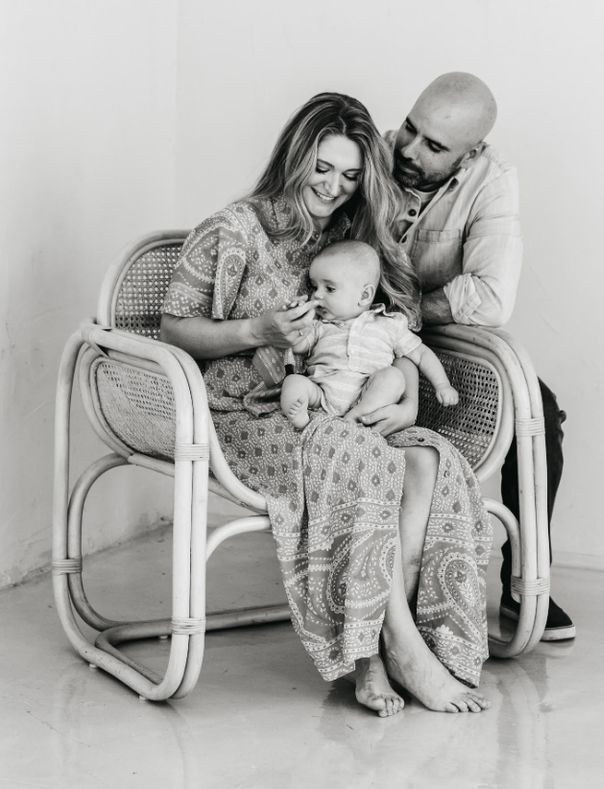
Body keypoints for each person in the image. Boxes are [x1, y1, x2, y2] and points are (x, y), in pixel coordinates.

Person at [160, 92, 494, 716]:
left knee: (430, 460)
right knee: (364, 460)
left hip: (345, 406)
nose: (334, 187)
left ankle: (410, 639)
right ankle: (388, 653)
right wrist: (256, 331)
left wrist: (404, 383)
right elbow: (173, 329)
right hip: (251, 411)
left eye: (349, 175)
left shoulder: (355, 233)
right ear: (295, 156)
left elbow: (399, 325)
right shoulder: (234, 229)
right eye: (322, 168)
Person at [381, 72, 575, 641]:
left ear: (472, 153)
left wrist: (407, 309)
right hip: (350, 334)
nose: (410, 151)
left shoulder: (493, 181)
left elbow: (489, 298)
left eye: (434, 147)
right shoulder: (371, 151)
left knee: (538, 410)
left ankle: (525, 580)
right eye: (410, 130)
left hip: (432, 339)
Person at [280, 239, 459, 430]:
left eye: (329, 288)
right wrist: (296, 321)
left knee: (394, 377)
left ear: (364, 296)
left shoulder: (389, 324)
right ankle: (304, 421)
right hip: (320, 395)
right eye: (315, 287)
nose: (317, 295)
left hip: (366, 397)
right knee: (293, 383)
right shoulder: (320, 325)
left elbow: (421, 354)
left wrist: (442, 384)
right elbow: (298, 346)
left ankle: (355, 417)